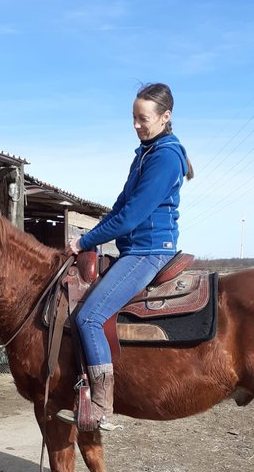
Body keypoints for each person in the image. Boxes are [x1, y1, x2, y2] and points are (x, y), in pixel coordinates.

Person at [56, 82, 195, 431]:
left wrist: (85, 240)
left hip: (149, 252)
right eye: (133, 117)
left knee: (89, 317)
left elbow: (132, 216)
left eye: (143, 118)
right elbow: (120, 206)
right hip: (133, 249)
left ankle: (101, 406)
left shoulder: (165, 157)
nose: (136, 125)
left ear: (166, 116)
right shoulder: (145, 154)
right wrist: (89, 237)